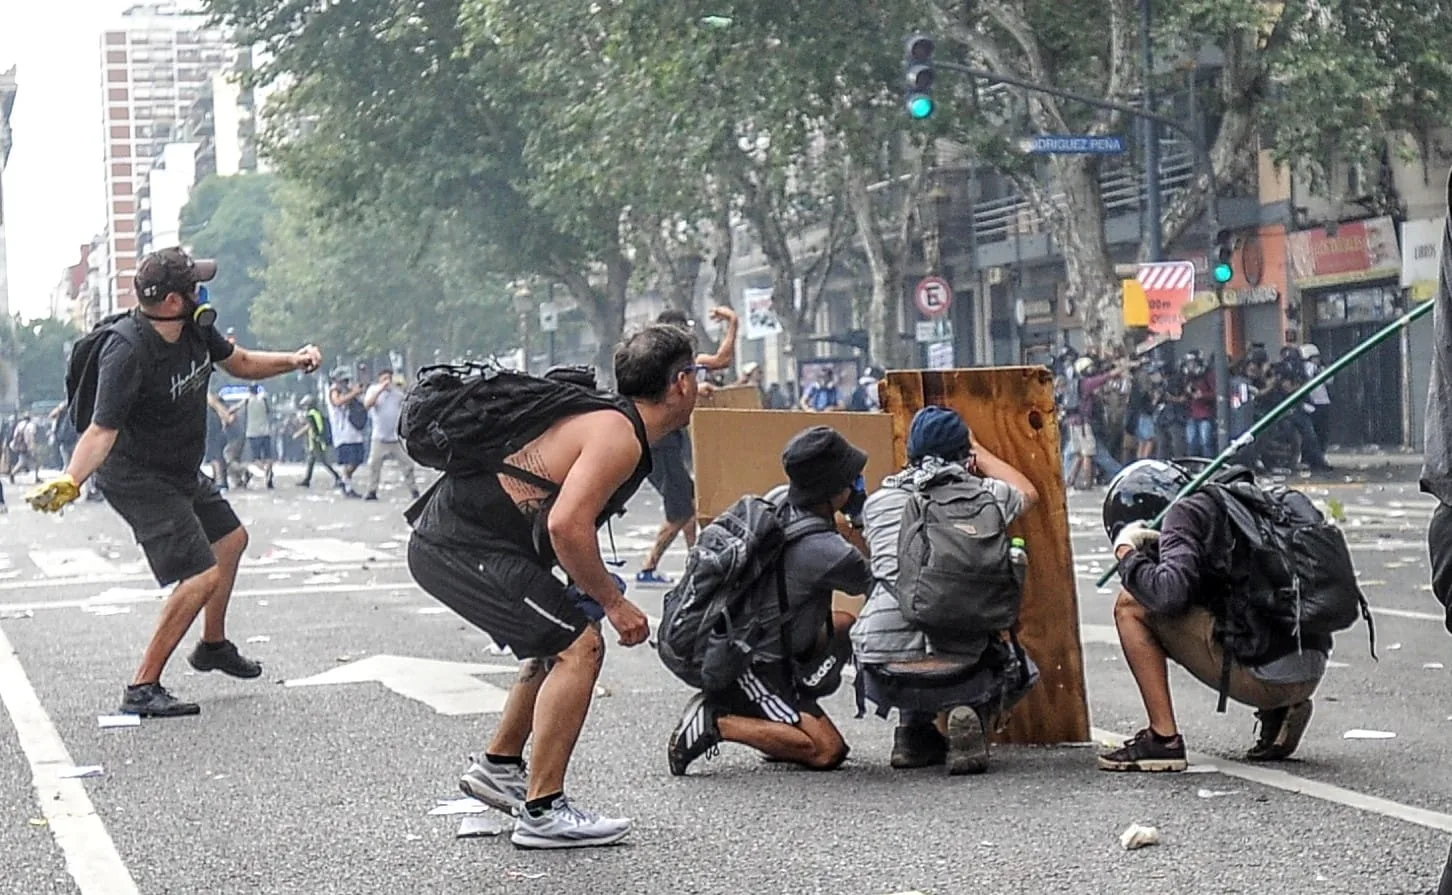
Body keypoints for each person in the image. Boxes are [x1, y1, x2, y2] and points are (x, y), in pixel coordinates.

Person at [406, 324, 698, 849]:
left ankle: (498, 767)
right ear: (681, 383)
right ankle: (543, 810)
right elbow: (567, 525)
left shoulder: (612, 422)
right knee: (579, 647)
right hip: (460, 547)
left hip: (467, 541)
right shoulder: (617, 436)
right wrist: (613, 601)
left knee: (551, 646)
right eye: (696, 373)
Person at [26, 247, 322, 717]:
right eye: (193, 286)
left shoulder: (197, 330)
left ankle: (213, 644)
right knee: (200, 574)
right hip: (137, 476)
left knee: (231, 540)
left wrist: (294, 359)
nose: (201, 291)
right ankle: (142, 687)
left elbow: (240, 362)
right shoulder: (126, 351)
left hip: (179, 468)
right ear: (169, 301)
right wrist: (71, 480)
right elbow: (101, 430)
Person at [666, 426, 872, 775]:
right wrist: (858, 521)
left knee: (842, 627)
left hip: (741, 636)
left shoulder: (778, 499)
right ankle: (717, 720)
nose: (857, 485)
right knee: (827, 751)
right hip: (750, 661)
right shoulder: (829, 551)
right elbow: (873, 581)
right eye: (853, 479)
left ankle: (778, 721)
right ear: (833, 487)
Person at [1097, 460, 1327, 771]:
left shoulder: (1182, 515)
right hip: (1311, 666)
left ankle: (1163, 740)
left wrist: (1127, 553)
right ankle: (1281, 710)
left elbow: (1168, 595)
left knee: (1131, 605)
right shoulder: (1240, 502)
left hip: (1268, 679)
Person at [853, 407, 1040, 774]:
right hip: (961, 668)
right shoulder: (986, 496)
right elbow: (1027, 492)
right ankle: (966, 710)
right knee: (981, 616)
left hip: (885, 667)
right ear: (963, 454)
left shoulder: (876, 504)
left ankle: (911, 734)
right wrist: (978, 448)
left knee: (907, 604)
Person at [635, 306, 738, 586]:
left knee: (690, 506)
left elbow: (721, 360)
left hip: (666, 442)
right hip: (659, 444)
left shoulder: (685, 363)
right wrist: (692, 390)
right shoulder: (654, 364)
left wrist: (733, 322)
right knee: (681, 511)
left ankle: (696, 565)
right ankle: (648, 567)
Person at [361, 367, 419, 501]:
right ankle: (372, 490)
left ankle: (414, 490)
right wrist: (380, 390)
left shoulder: (396, 393)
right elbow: (367, 405)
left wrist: (403, 387)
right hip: (379, 437)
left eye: (389, 378)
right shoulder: (374, 390)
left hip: (395, 437)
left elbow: (408, 402)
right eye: (384, 379)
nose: (387, 381)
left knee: (407, 464)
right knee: (374, 464)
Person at [328, 368, 367, 496]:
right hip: (343, 432)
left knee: (358, 459)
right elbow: (338, 402)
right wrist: (353, 393)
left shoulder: (349, 390)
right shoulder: (334, 390)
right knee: (348, 461)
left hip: (354, 431)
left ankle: (345, 481)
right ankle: (347, 485)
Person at [293, 395, 343, 489]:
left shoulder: (310, 414)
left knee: (323, 461)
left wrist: (298, 434)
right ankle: (307, 479)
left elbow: (311, 427)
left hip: (316, 440)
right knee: (311, 460)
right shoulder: (316, 412)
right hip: (317, 439)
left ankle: (338, 477)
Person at [243, 383, 275, 489]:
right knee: (268, 457)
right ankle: (269, 473)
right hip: (265, 432)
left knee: (255, 458)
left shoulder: (247, 400)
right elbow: (269, 411)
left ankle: (262, 471)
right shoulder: (263, 400)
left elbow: (235, 408)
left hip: (252, 433)